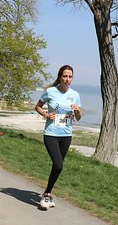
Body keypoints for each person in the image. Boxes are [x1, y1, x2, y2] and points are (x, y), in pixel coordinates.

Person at [34, 65, 82, 210]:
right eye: (65, 76)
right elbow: (38, 106)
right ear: (60, 77)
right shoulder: (50, 92)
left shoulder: (75, 94)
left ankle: (47, 193)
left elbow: (78, 118)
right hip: (51, 133)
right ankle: (47, 193)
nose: (67, 79)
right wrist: (46, 115)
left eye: (70, 77)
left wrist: (78, 110)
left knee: (57, 166)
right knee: (59, 164)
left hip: (66, 135)